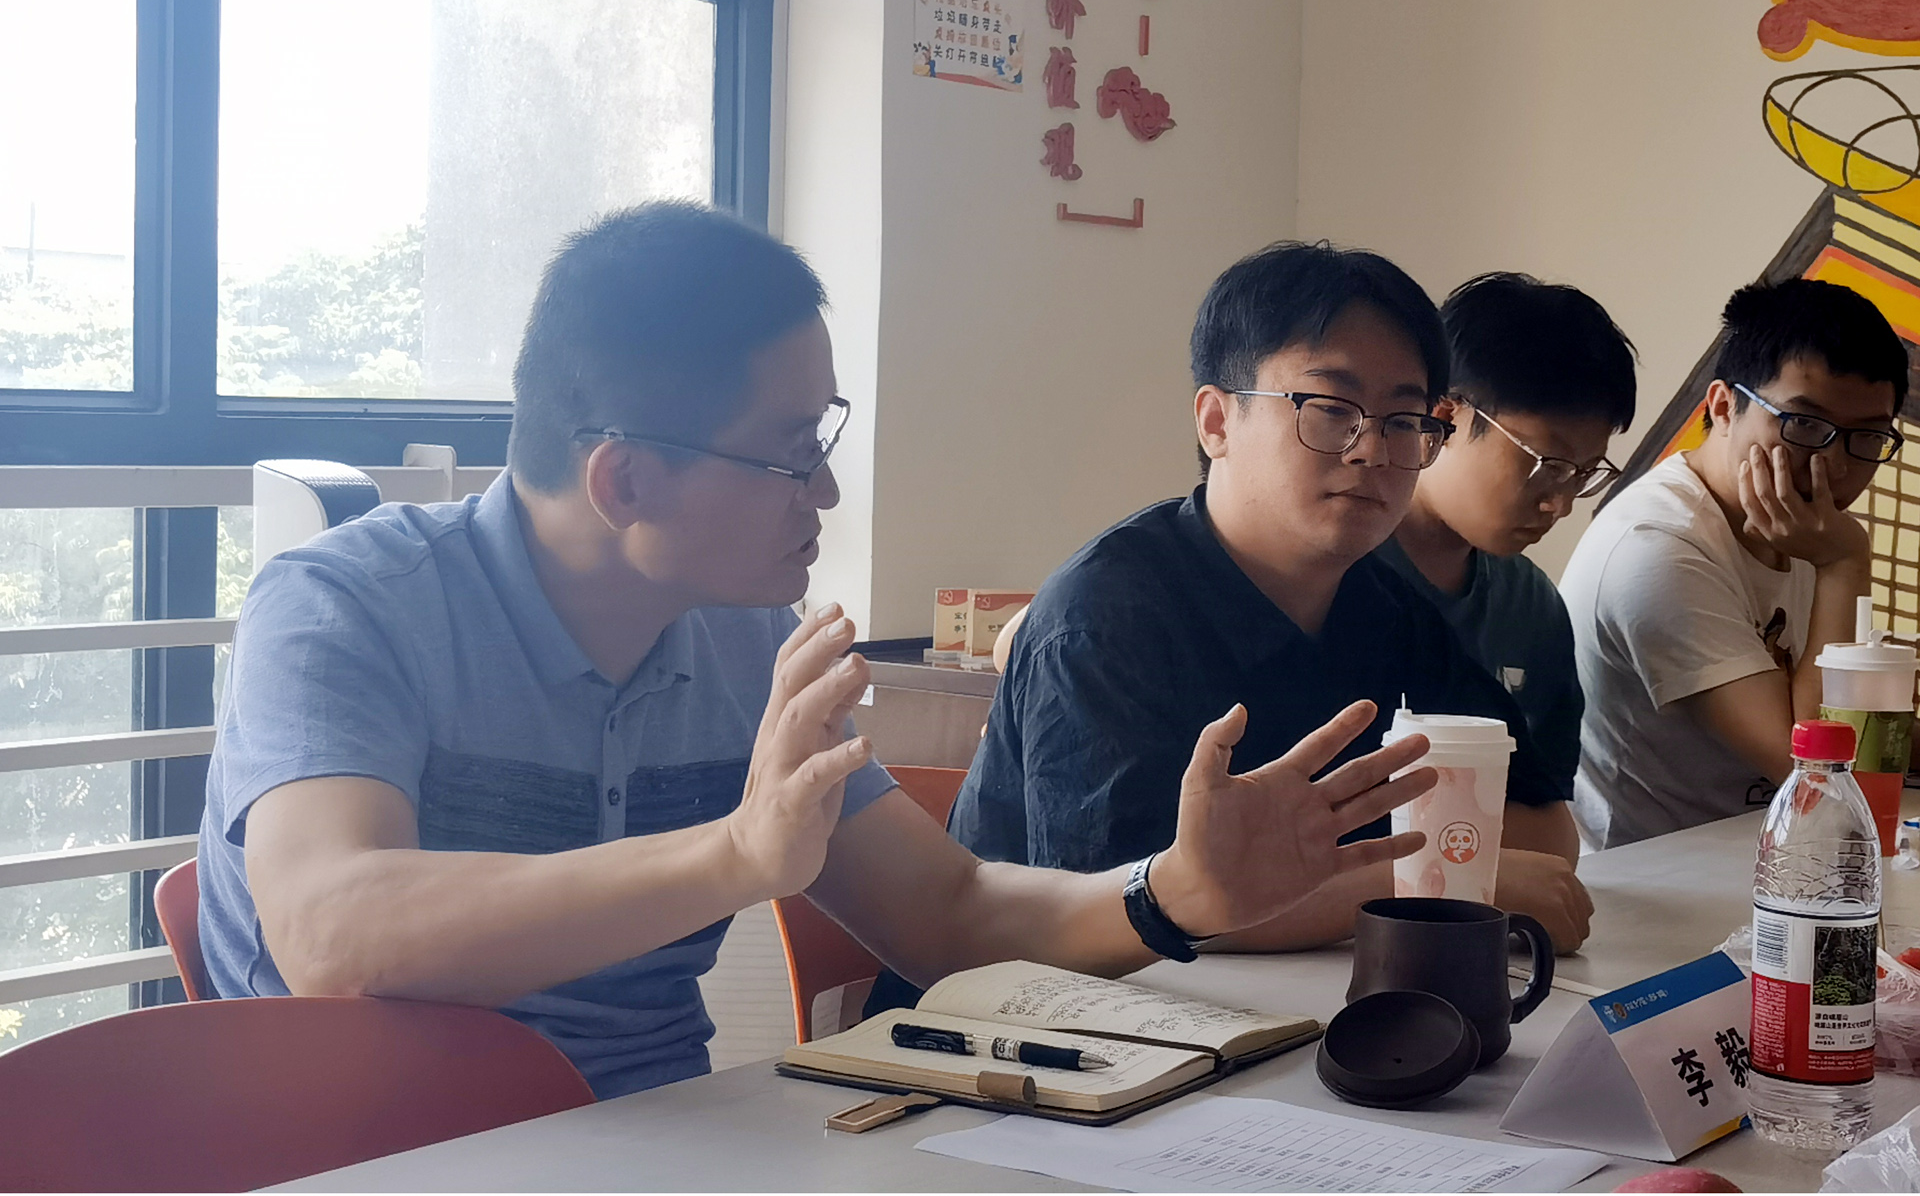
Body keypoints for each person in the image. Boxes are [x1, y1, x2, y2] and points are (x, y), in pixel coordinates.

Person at [195, 204, 1438, 1100]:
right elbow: (334, 930)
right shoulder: (346, 606)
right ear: (624, 477)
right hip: (363, 1155)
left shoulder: (746, 642)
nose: (828, 491)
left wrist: (1169, 893)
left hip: (660, 1141)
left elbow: (946, 912)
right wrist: (732, 853)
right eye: (793, 453)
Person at [947, 241, 1594, 953]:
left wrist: (1430, 876)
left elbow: (1543, 831)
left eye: (1404, 421)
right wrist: (1434, 884)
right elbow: (1120, 914)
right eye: (1331, 408)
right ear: (1217, 422)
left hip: (1291, 998)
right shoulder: (1104, 615)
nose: (1372, 450)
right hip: (1026, 1007)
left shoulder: (1386, 609)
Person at [1560, 277, 1907, 849]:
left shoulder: (1802, 526)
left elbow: (1870, 745)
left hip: (1768, 858)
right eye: (1805, 425)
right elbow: (1816, 773)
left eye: (1867, 437)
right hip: (1654, 882)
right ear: (1723, 406)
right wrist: (1845, 563)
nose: (1833, 466)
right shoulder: (1657, 546)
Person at [1377, 273, 1637, 865]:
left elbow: (1549, 825)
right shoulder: (1335, 577)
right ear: (1443, 416)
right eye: (1547, 465)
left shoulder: (1533, 606)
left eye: (1584, 473)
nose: (1560, 504)